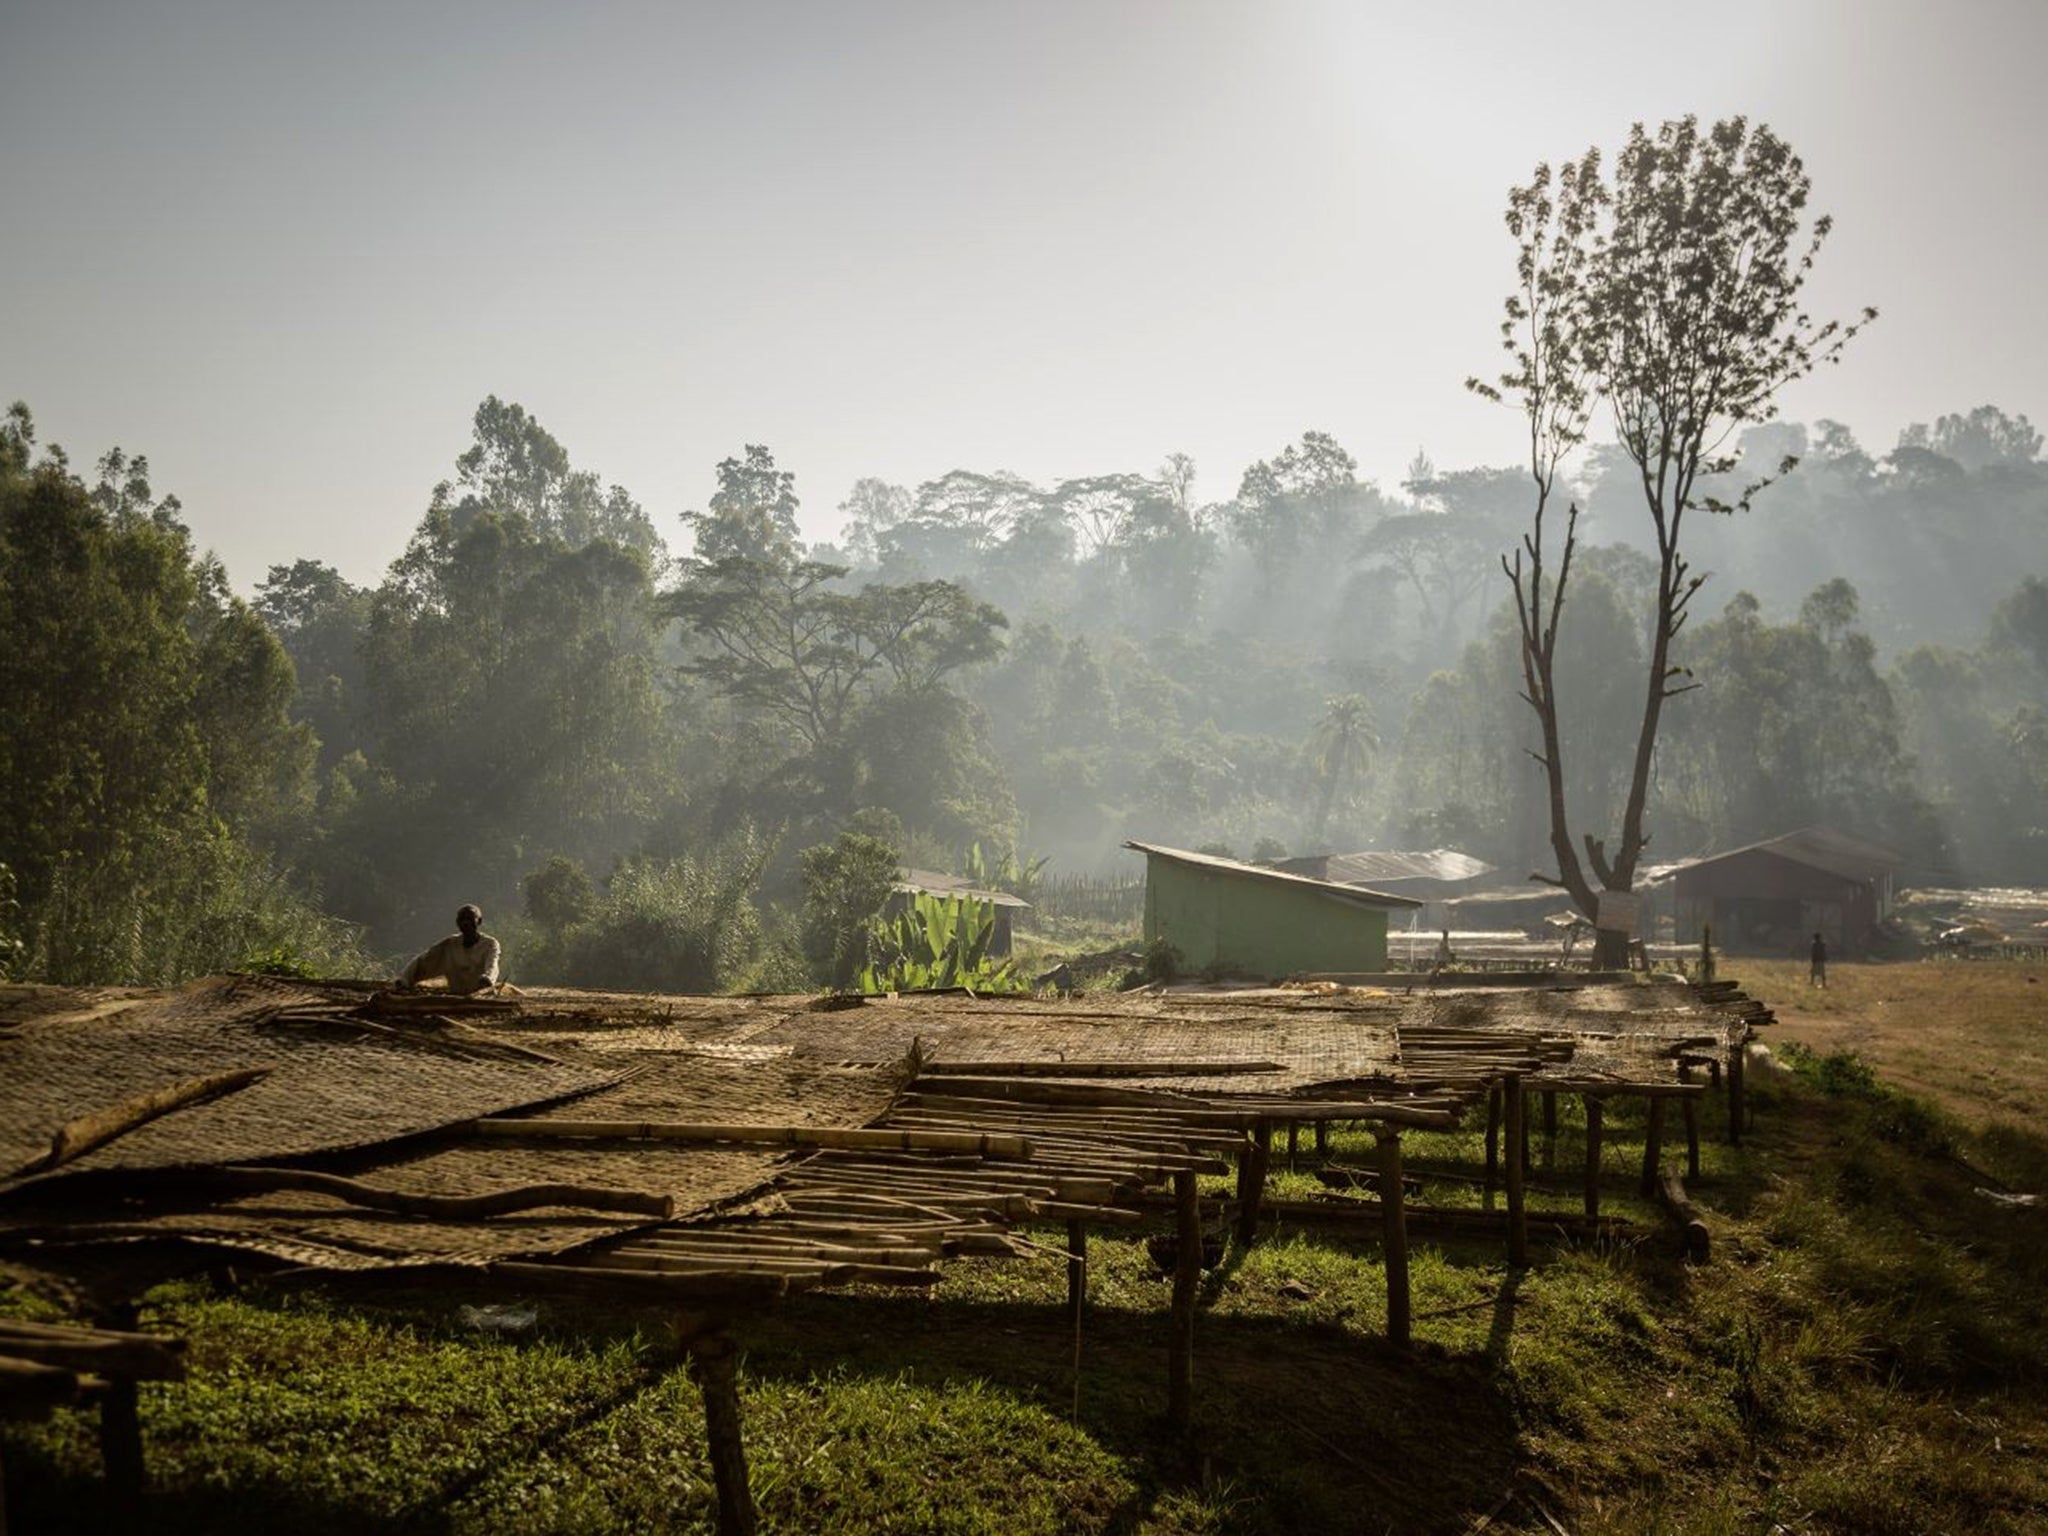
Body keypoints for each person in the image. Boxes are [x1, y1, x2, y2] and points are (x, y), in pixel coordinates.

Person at [399, 903, 501, 993]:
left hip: (481, 997)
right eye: (462, 919)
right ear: (457, 922)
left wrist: (488, 979)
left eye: (470, 919)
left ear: (479, 921)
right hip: (456, 997)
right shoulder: (449, 944)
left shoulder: (490, 944)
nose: (466, 923)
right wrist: (404, 980)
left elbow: (492, 965)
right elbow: (423, 960)